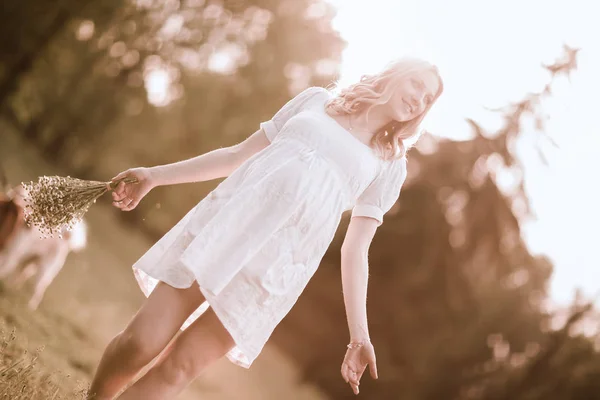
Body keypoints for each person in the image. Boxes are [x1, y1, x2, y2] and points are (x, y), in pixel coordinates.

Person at [87, 57, 443, 399]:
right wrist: (154, 176)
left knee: (179, 369)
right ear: (395, 73)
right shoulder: (318, 101)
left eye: (427, 99)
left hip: (273, 273)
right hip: (223, 232)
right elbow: (234, 155)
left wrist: (358, 336)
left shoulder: (389, 165)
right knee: (140, 341)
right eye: (417, 84)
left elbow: (356, 249)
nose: (418, 100)